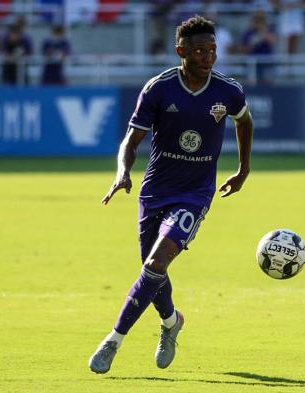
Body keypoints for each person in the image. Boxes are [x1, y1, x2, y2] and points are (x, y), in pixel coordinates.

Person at [88, 15, 253, 374]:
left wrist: (243, 168)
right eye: (199, 50)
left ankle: (113, 340)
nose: (208, 56)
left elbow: (244, 120)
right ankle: (170, 322)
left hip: (195, 194)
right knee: (152, 271)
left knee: (155, 264)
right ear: (181, 51)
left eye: (212, 49)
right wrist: (122, 172)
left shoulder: (228, 90)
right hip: (155, 192)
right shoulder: (159, 88)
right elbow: (131, 142)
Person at [0, 17, 33, 85]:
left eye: (16, 34)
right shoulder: (5, 39)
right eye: (12, 34)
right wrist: (11, 57)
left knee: (23, 85)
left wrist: (21, 56)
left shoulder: (25, 39)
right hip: (8, 69)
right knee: (7, 86)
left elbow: (29, 52)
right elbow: (4, 53)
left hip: (21, 69)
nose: (14, 36)